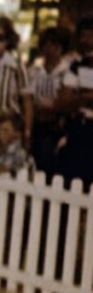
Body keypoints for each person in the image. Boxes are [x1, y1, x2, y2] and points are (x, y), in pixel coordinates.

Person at [28, 27, 72, 175]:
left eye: (54, 45)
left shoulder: (67, 70)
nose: (50, 49)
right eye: (46, 45)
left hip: (56, 123)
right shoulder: (34, 70)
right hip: (36, 120)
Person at [57, 16, 93, 187]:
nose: (87, 41)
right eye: (84, 36)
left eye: (91, 36)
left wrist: (79, 96)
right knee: (75, 183)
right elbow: (63, 101)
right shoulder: (76, 66)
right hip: (80, 129)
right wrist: (86, 97)